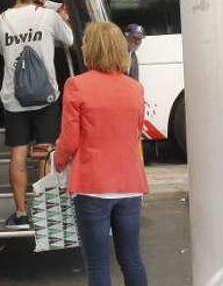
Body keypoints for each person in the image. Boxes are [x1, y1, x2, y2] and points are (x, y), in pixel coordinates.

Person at [55, 21, 149, 286]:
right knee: (131, 258)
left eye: (85, 42)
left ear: (91, 49)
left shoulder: (77, 85)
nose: (82, 46)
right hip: (130, 185)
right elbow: (135, 132)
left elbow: (70, 140)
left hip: (93, 185)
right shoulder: (135, 88)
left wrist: (57, 160)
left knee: (98, 267)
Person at [0, 0, 72, 229]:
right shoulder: (48, 17)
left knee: (18, 155)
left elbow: (5, 53)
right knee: (45, 154)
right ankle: (48, 214)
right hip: (45, 96)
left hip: (14, 98)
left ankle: (21, 214)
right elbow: (69, 39)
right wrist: (49, 6)